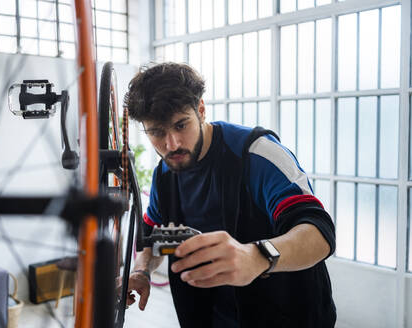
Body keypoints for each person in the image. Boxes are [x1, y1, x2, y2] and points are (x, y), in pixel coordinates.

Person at [123, 62, 336, 328]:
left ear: (200, 110)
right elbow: (155, 237)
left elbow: (319, 234)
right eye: (157, 132)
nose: (172, 143)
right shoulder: (164, 176)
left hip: (288, 317)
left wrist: (258, 257)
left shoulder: (256, 154)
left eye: (181, 125)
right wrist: (142, 270)